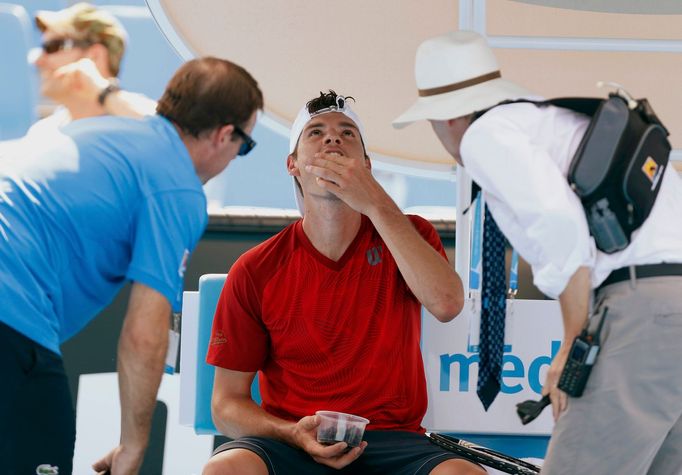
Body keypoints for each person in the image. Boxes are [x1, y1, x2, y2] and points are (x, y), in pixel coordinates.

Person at [393, 31, 682, 474]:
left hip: (641, 308)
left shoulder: (484, 134)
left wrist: (571, 344)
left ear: (446, 118)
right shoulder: (547, 120)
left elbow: (560, 225)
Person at [0, 56, 263, 475]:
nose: (235, 157)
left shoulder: (104, 129)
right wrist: (134, 444)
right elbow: (145, 334)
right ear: (224, 135)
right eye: (244, 146)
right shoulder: (178, 186)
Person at [203, 90, 484, 475]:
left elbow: (448, 304)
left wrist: (374, 200)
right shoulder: (255, 268)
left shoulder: (408, 232)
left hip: (393, 440)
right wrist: (291, 433)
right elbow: (226, 405)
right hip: (293, 441)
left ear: (366, 164)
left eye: (347, 133)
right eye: (315, 132)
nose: (333, 138)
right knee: (225, 469)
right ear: (293, 165)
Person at [28, 2, 156, 137]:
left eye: (53, 47)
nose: (38, 61)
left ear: (94, 55)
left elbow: (168, 134)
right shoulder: (43, 131)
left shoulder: (132, 125)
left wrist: (103, 92)